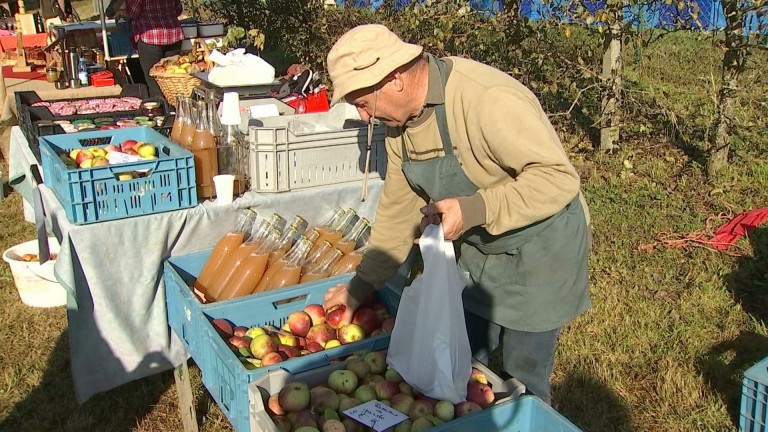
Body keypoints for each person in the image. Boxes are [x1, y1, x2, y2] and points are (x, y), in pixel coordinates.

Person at [322, 24, 591, 404]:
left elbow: (558, 179)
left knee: (522, 377)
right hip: (481, 252)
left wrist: (475, 208)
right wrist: (360, 287)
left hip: (539, 251)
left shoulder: (486, 100)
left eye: (364, 104)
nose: (365, 118)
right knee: (461, 367)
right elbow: (399, 210)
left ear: (394, 79)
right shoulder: (401, 125)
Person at [106, 0, 183, 98]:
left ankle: (161, 110)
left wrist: (122, 11)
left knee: (154, 82)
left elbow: (134, 12)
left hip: (150, 38)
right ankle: (174, 109)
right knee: (173, 80)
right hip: (173, 35)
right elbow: (178, 10)